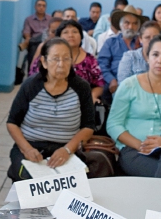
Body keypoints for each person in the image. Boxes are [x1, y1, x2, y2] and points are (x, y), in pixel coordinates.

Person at [6, 38, 95, 181]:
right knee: (30, 179)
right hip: (31, 146)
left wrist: (67, 150)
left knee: (70, 182)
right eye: (55, 59)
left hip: (66, 148)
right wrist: (27, 149)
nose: (61, 64)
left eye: (66, 59)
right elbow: (12, 123)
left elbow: (88, 126)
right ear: (44, 62)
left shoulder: (81, 87)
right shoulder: (31, 86)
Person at [107, 36, 161, 179]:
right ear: (147, 57)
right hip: (133, 149)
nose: (160, 60)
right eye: (155, 54)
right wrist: (141, 145)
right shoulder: (129, 85)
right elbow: (113, 124)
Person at [97, 5, 144, 105]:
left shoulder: (143, 43)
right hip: (116, 83)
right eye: (127, 23)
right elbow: (102, 65)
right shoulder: (110, 42)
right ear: (120, 25)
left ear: (139, 27)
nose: (131, 27)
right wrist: (111, 80)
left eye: (135, 23)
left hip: (141, 84)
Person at [52, 20, 105, 103]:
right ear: (59, 37)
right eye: (65, 32)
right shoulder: (50, 58)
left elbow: (100, 84)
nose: (71, 35)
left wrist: (92, 96)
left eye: (75, 32)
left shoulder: (90, 60)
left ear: (81, 37)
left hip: (82, 102)